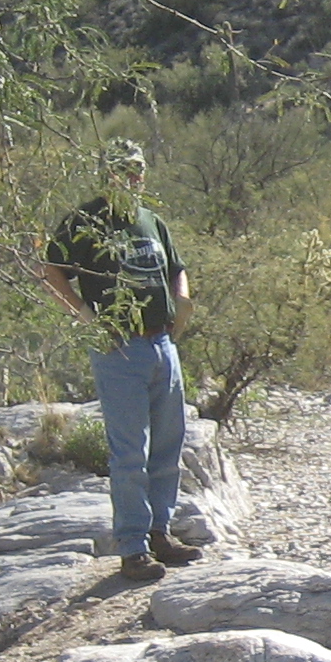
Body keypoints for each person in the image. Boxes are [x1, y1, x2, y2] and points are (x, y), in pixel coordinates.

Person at [36, 138, 200, 584]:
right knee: (129, 453)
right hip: (118, 348)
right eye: (122, 169)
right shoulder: (86, 221)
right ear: (106, 173)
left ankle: (160, 531)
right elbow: (50, 270)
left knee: (167, 446)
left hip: (162, 343)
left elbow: (176, 267)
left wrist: (182, 303)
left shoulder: (150, 220)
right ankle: (132, 548)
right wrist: (85, 317)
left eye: (137, 169)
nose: (131, 177)